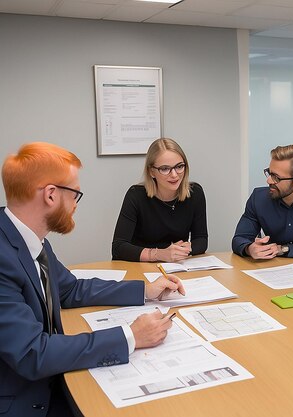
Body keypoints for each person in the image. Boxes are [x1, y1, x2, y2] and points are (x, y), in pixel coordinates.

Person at [0, 142, 185, 417]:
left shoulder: (30, 239)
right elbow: (32, 354)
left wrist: (146, 290)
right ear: (51, 195)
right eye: (75, 193)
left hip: (51, 379)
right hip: (25, 400)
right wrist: (131, 336)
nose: (76, 204)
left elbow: (71, 289)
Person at [112, 138, 208, 262]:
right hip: (140, 266)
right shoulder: (136, 195)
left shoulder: (195, 193)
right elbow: (118, 247)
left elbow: (201, 240)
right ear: (152, 171)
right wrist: (159, 254)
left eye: (179, 166)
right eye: (165, 169)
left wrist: (185, 249)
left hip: (176, 267)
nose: (174, 174)